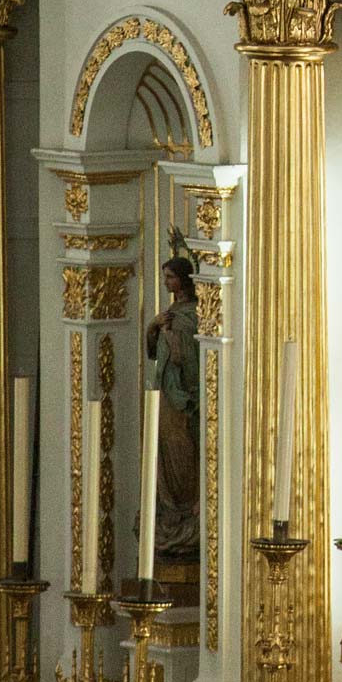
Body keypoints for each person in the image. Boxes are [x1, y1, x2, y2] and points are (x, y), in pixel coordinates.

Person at [145, 249, 202, 602]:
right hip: (165, 396)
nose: (166, 282)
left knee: (182, 451)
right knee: (164, 451)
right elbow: (154, 354)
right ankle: (170, 510)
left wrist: (169, 335)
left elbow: (186, 357)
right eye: (164, 277)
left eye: (170, 277)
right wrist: (154, 328)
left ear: (182, 280)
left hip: (184, 400)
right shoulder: (168, 316)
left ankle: (186, 507)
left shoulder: (190, 316)